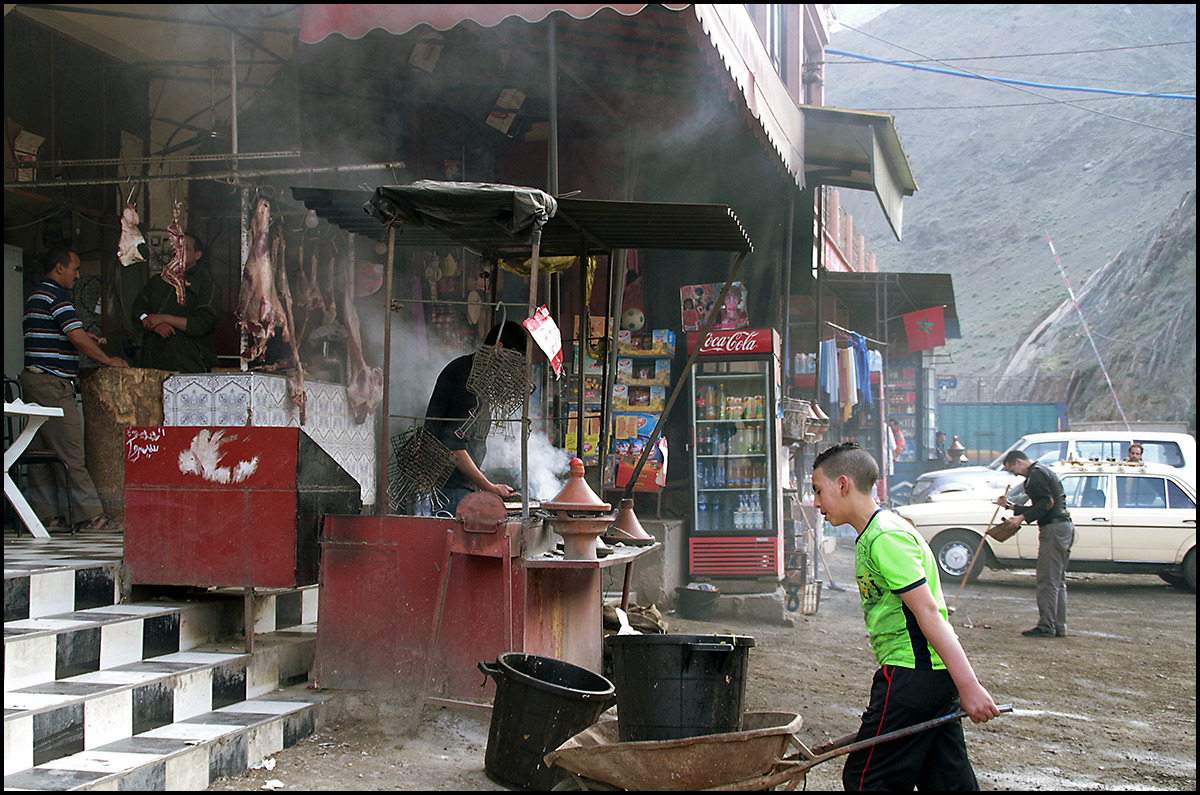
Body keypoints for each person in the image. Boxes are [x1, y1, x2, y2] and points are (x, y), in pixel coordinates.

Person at [811, 441, 1000, 790]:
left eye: (818, 491)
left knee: (867, 777)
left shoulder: (886, 537)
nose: (817, 503)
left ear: (843, 484)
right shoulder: (877, 533)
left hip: (912, 674)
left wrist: (969, 685)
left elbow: (928, 612)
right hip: (929, 677)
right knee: (945, 780)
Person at [21, 248, 130, 532]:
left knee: (41, 451)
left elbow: (63, 334)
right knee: (71, 453)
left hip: (34, 381)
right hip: (52, 384)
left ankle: (47, 517)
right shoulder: (57, 296)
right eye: (75, 269)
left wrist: (80, 336)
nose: (77, 275)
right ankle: (91, 517)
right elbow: (77, 338)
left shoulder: (37, 294)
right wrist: (107, 360)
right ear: (59, 268)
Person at [424, 321, 528, 515]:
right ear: (500, 349)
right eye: (514, 360)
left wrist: (481, 481)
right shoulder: (469, 379)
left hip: (461, 487)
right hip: (451, 489)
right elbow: (453, 447)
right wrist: (490, 487)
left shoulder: (479, 377)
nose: (512, 371)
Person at [995, 449, 1075, 638]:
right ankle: (1057, 625)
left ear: (1019, 461)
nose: (1014, 474)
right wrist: (1010, 507)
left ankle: (1047, 626)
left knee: (1048, 579)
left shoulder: (1036, 475)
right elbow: (1043, 504)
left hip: (1054, 529)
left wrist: (1021, 517)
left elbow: (1046, 503)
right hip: (1062, 527)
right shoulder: (1040, 472)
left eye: (1012, 469)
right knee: (1057, 580)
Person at [129, 231, 219, 373]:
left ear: (197, 255)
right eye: (176, 246)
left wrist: (164, 319)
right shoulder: (157, 281)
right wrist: (152, 324)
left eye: (186, 248)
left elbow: (202, 324)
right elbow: (138, 312)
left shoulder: (205, 284)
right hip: (152, 364)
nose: (179, 251)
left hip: (187, 364)